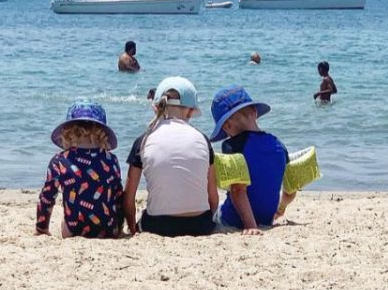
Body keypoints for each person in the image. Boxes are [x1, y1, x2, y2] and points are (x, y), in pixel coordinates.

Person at [123, 77, 217, 237]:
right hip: (201, 225)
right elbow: (213, 197)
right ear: (190, 110)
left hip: (158, 226)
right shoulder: (203, 139)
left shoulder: (144, 140)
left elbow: (128, 197)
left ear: (156, 107)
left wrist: (132, 228)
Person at [210, 85, 294, 235]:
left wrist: (251, 225)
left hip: (234, 219)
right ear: (255, 112)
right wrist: (280, 209)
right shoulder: (280, 145)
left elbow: (238, 189)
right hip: (267, 219)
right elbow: (290, 190)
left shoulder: (232, 145)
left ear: (227, 126)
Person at [35, 101, 123, 238]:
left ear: (68, 131)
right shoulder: (111, 160)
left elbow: (47, 198)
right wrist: (120, 227)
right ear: (102, 132)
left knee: (65, 223)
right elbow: (118, 198)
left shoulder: (60, 161)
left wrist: (41, 229)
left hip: (74, 231)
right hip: (108, 231)